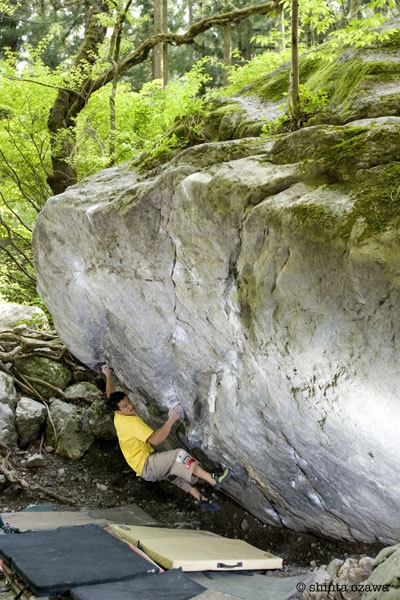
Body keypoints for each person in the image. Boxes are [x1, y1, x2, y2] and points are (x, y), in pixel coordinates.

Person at [101, 364, 231, 511]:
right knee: (179, 456)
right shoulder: (132, 423)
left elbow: (109, 394)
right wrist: (171, 420)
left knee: (175, 475)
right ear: (119, 411)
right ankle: (213, 479)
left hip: (142, 468)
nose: (130, 405)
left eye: (129, 401)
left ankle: (202, 499)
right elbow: (155, 440)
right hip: (147, 465)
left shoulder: (118, 416)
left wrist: (108, 375)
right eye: (125, 406)